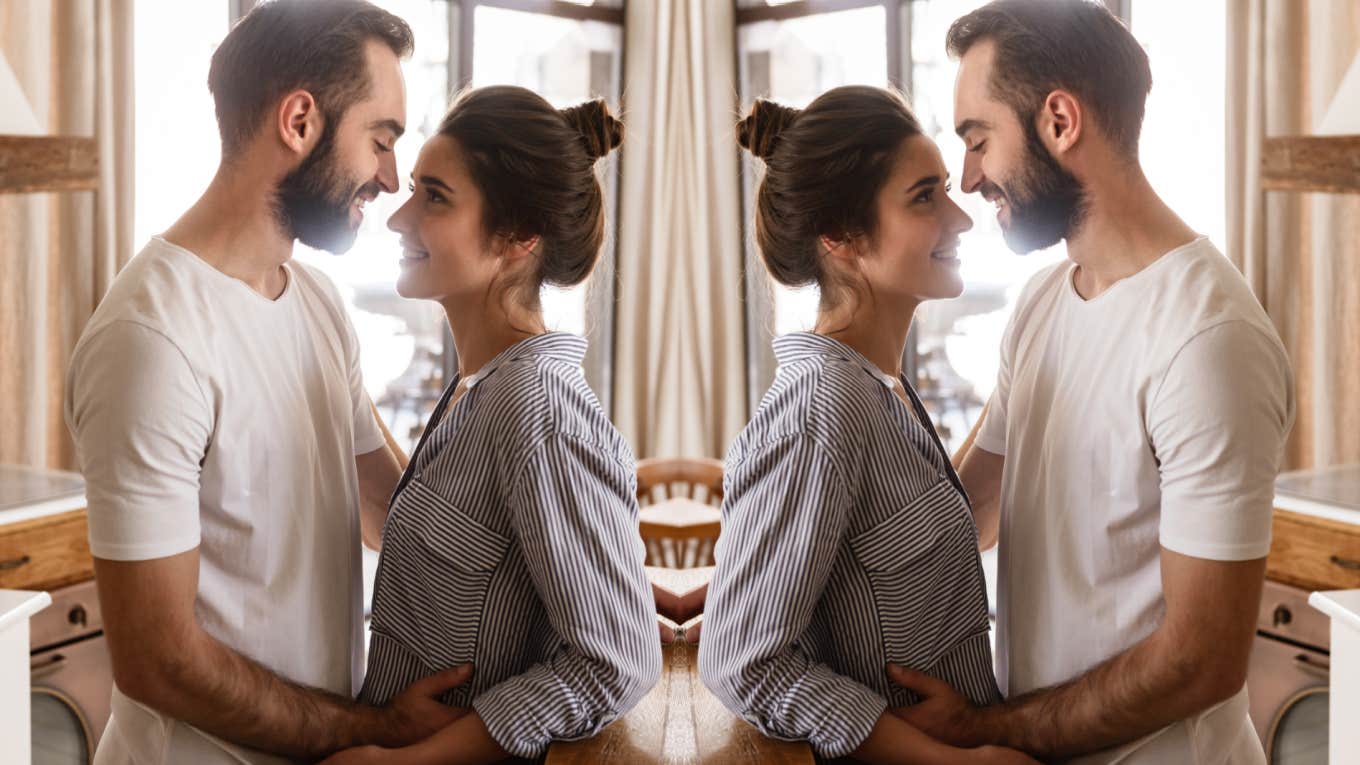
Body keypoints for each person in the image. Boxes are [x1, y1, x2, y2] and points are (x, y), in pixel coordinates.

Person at [887, 2, 1294, 763]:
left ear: (1060, 121)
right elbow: (969, 510)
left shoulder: (1208, 340)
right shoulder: (1043, 302)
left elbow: (1200, 661)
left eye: (980, 140)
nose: (970, 179)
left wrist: (987, 727)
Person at [64, 2, 469, 763]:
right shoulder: (151, 340)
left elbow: (389, 507)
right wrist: (371, 727)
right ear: (300, 121)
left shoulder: (315, 302)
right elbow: (159, 661)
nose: (388, 178)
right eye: (380, 140)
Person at [318, 86, 662, 765]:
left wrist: (407, 761)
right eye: (414, 188)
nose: (399, 219)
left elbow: (618, 660)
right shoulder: (476, 390)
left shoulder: (536, 411)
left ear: (517, 236)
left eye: (435, 197)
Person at [698, 86, 1039, 765]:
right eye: (923, 197)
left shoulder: (884, 391)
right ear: (842, 237)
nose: (959, 219)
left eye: (945, 188)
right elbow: (741, 660)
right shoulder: (824, 411)